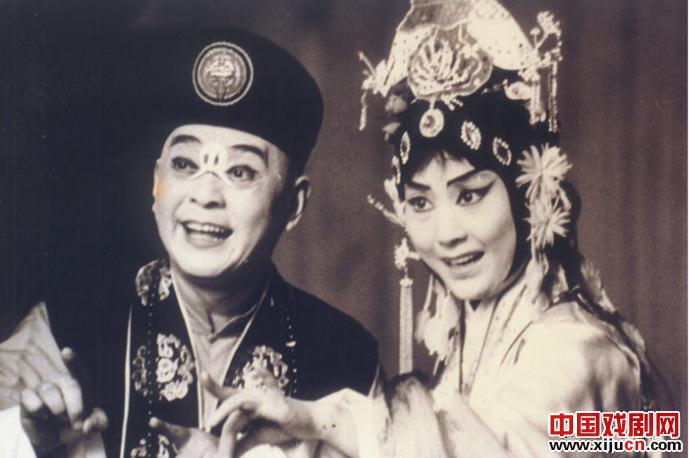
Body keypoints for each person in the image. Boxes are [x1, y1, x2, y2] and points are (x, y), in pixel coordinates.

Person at [198, 1, 661, 456]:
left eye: (470, 195)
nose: (445, 233)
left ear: (529, 193)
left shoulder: (583, 352)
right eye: (420, 202)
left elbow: (490, 449)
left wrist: (321, 420)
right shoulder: (473, 332)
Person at [1, 26, 380, 457]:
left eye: (240, 172)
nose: (204, 195)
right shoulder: (64, 329)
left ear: (294, 204)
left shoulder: (345, 358)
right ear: (156, 184)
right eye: (184, 165)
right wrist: (41, 447)